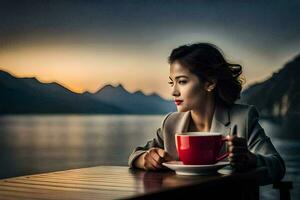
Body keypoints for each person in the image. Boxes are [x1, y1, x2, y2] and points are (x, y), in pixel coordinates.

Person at [128, 43, 285, 184]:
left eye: (182, 81)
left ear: (210, 83)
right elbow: (136, 155)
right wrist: (146, 159)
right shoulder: (171, 123)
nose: (173, 92)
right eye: (172, 82)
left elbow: (277, 166)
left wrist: (251, 160)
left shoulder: (243, 118)